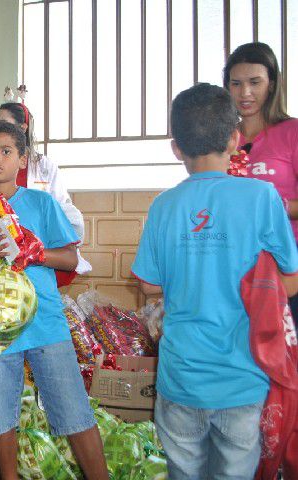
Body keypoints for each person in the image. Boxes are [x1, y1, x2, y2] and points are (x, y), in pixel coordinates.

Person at [132, 83, 298, 479]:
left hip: (181, 379)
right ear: (235, 139)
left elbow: (148, 285)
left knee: (184, 471)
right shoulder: (263, 198)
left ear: (177, 148)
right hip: (243, 380)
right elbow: (289, 279)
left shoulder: (163, 206)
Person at [0, 121, 109, 480]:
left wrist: (36, 253)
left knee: (73, 412)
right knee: (1, 418)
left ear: (22, 159)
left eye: (6, 151)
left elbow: (70, 259)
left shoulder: (41, 202)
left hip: (46, 325)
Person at [224, 41, 298, 321]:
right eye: (236, 83)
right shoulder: (224, 139)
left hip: (287, 270)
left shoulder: (292, 132)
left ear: (272, 83)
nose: (245, 93)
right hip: (235, 266)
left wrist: (277, 207)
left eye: (255, 82)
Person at [0, 101, 85, 241]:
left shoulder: (44, 166)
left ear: (23, 128)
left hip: (41, 238)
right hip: (2, 240)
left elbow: (62, 208)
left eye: (4, 123)